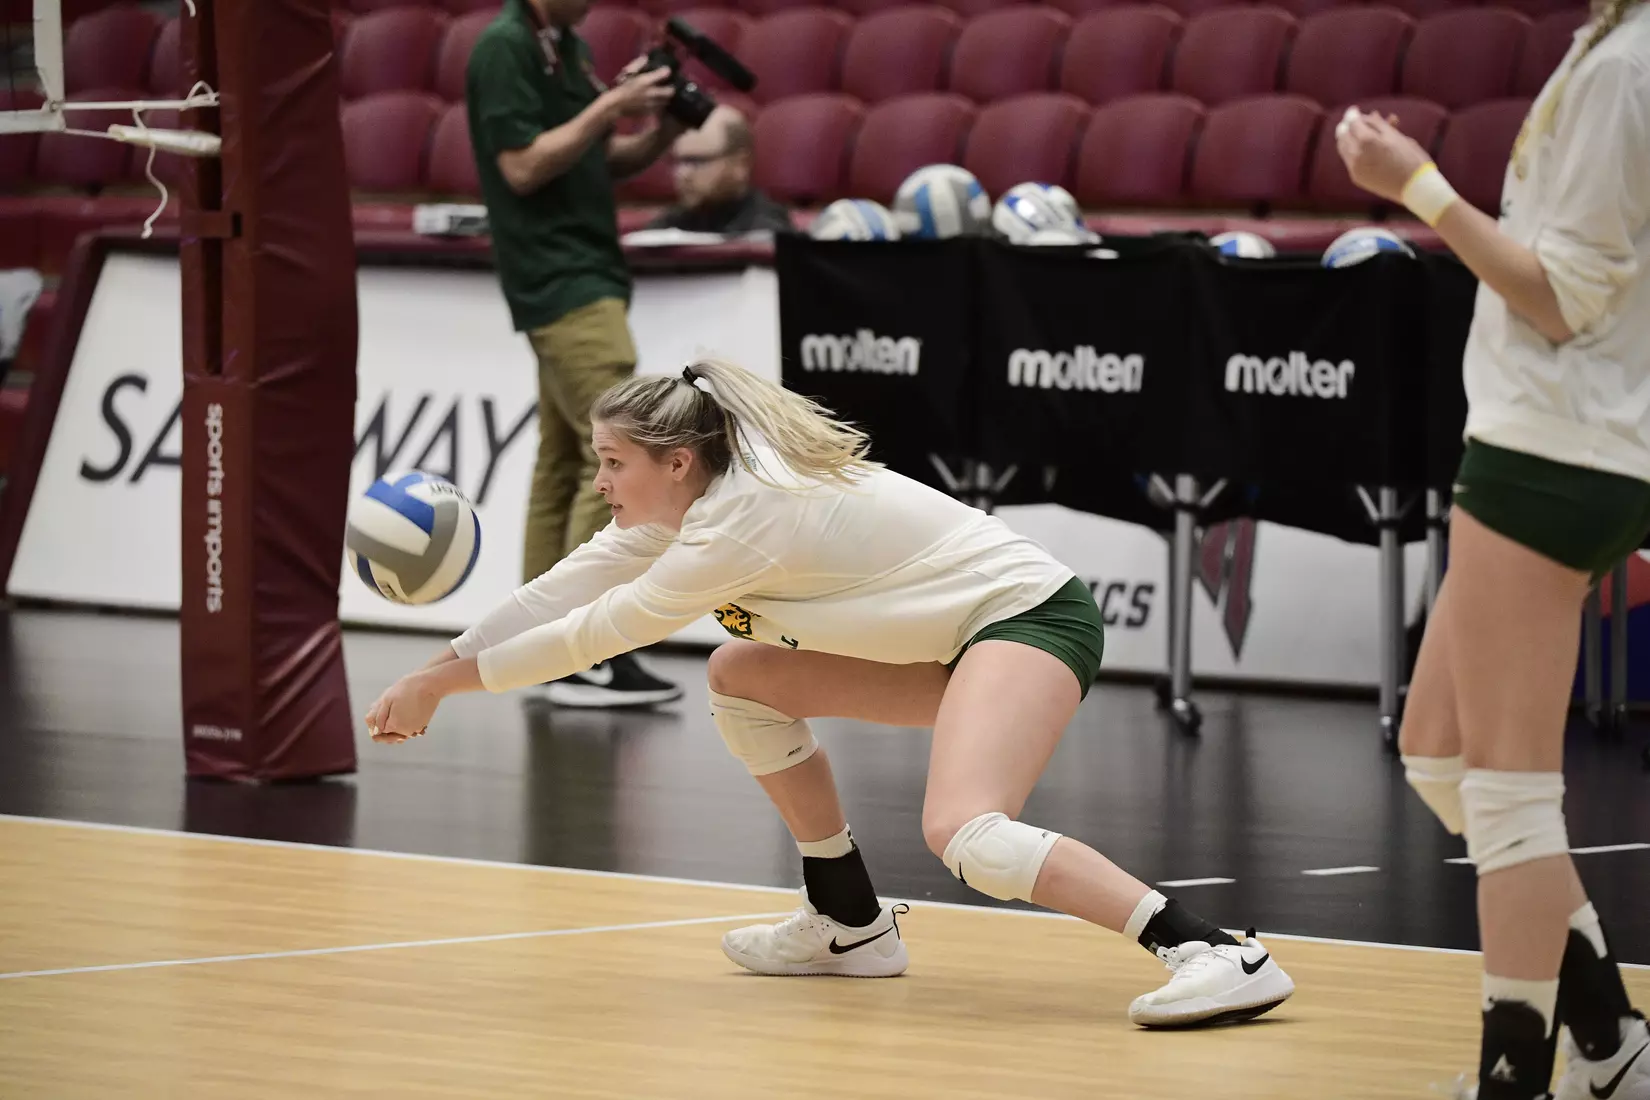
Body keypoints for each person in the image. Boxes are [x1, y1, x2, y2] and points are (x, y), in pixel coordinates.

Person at [363, 356, 1297, 1028]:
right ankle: (850, 924)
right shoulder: (691, 507)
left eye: (611, 462)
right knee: (741, 677)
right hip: (958, 643)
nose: (600, 481)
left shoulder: (740, 522)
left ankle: (1213, 951)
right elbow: (565, 587)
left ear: (675, 462)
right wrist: (440, 661)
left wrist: (440, 689)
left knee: (966, 834)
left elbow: (592, 635)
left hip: (1030, 621)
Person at [1337, 3, 1649, 1097]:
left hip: (1552, 448)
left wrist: (1418, 187)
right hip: (1571, 438)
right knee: (1437, 752)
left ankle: (1518, 1077)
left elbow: (1561, 298)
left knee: (1512, 798)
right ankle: (1611, 1033)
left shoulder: (1626, 67)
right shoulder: (1607, 44)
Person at [466, 0, 684, 707]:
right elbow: (524, 166)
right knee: (622, 454)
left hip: (583, 272)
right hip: (560, 279)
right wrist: (608, 105)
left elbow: (603, 156)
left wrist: (665, 122)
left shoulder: (566, 43)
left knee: (563, 461)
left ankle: (537, 653)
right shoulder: (505, 49)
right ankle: (580, 652)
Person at [644, 105, 793, 236]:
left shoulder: (767, 233)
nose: (682, 174)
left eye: (697, 161)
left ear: (740, 164)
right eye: (678, 162)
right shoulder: (665, 228)